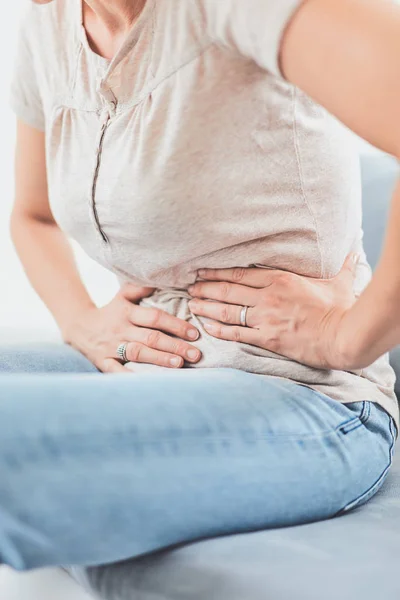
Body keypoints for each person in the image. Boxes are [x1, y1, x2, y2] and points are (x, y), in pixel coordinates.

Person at [1, 0, 399, 571]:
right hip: (138, 368)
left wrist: (349, 337)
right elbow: (32, 215)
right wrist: (79, 319)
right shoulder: (48, 23)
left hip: (304, 396)